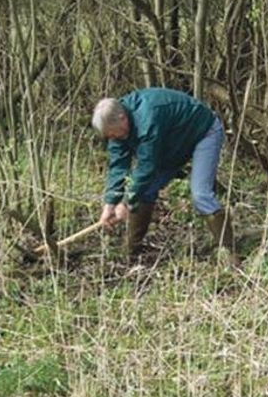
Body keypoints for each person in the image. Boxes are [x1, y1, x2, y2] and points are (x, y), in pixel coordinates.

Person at [91, 87, 239, 264]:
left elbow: (146, 166)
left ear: (122, 118)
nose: (114, 137)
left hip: (203, 133)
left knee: (200, 194)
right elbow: (118, 166)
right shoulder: (117, 131)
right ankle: (131, 252)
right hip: (171, 146)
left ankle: (228, 250)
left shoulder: (147, 117)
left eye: (114, 133)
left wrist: (125, 202)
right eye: (110, 136)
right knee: (144, 192)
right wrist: (110, 203)